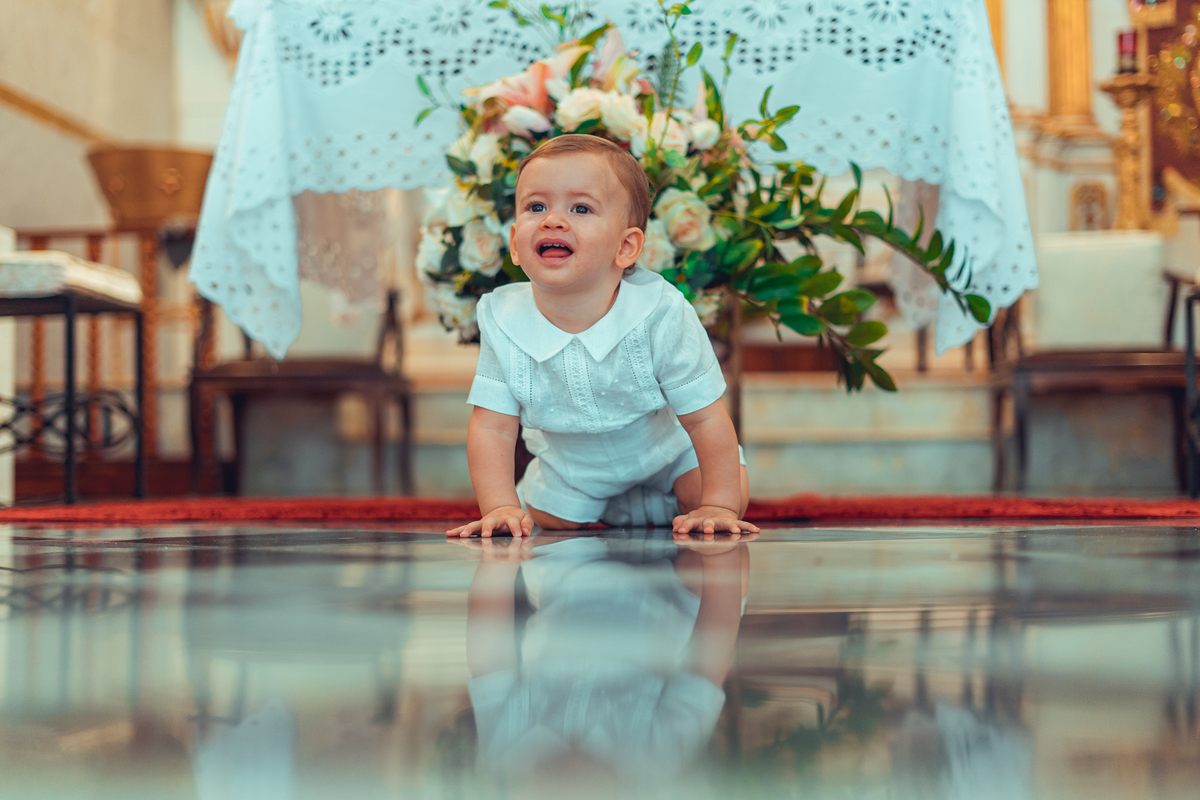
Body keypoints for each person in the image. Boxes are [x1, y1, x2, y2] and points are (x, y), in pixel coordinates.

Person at [447, 134, 759, 537]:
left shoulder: (659, 311)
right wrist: (500, 506)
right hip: (576, 466)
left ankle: (669, 500)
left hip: (667, 451)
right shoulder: (503, 318)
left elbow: (704, 417)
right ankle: (622, 505)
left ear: (626, 247)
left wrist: (720, 504)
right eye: (536, 206)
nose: (552, 220)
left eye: (581, 208)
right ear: (514, 245)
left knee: (718, 492)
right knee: (550, 519)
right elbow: (492, 426)